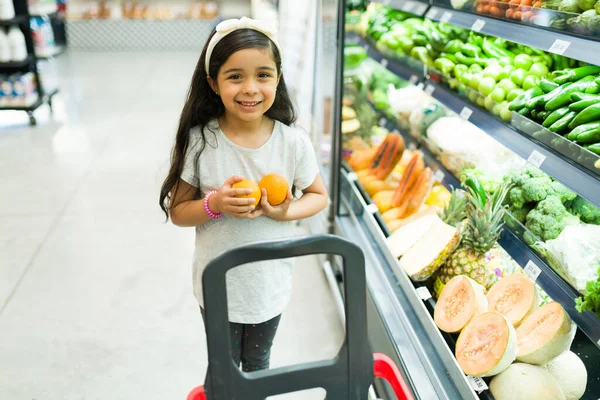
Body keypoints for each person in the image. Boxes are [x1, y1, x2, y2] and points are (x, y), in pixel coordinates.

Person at [158, 17, 329, 381]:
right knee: (223, 369)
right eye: (235, 76)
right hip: (219, 285)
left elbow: (317, 197)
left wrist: (285, 212)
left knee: (258, 365)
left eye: (263, 75)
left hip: (269, 283)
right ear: (213, 83)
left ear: (278, 78)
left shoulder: (292, 142)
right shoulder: (203, 142)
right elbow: (179, 212)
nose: (250, 88)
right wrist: (215, 205)